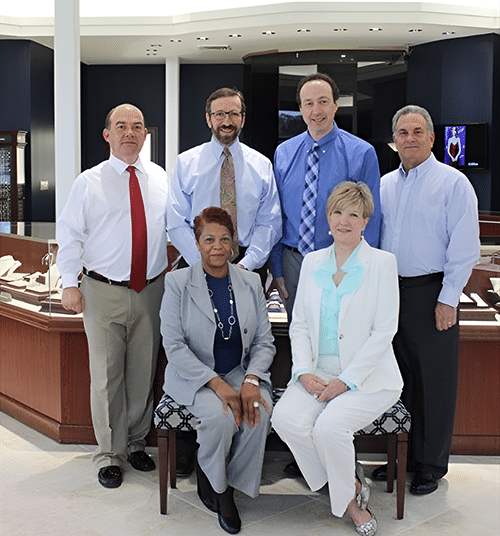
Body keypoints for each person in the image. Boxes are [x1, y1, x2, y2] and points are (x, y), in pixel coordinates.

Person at [272, 182, 402, 536]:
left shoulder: (382, 263)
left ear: (365, 221)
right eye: (337, 212)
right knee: (285, 419)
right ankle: (348, 486)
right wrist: (301, 371)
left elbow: (384, 332)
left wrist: (346, 382)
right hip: (318, 372)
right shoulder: (313, 261)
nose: (344, 221)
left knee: (330, 428)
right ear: (328, 218)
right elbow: (298, 325)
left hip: (369, 378)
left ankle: (352, 506)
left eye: (354, 214)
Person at [56, 103, 168, 489]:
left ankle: (136, 443)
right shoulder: (88, 182)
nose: (129, 133)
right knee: (106, 376)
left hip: (151, 290)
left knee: (142, 374)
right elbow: (69, 235)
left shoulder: (160, 178)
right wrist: (69, 282)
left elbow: (176, 230)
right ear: (107, 135)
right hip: (102, 292)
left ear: (145, 134)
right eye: (121, 126)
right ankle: (109, 453)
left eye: (137, 126)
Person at [376, 105, 480, 495]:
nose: (410, 139)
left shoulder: (453, 184)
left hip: (432, 293)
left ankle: (430, 465)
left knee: (433, 384)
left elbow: (465, 248)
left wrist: (448, 299)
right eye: (402, 132)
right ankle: (400, 458)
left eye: (417, 132)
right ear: (394, 140)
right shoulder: (385, 184)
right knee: (396, 382)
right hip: (390, 294)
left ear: (432, 138)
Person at [160, 207, 276, 534]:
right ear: (196, 242)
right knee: (221, 417)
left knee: (259, 412)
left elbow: (265, 342)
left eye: (225, 239)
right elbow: (174, 346)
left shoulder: (251, 282)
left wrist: (251, 379)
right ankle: (219, 490)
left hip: (240, 370)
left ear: (234, 244)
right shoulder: (178, 282)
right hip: (196, 376)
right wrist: (217, 384)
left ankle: (227, 480)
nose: (217, 246)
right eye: (209, 239)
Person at [270, 73, 382, 317]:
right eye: (308, 103)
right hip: (293, 263)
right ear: (300, 108)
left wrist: (362, 267)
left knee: (341, 335)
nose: (316, 110)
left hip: (342, 259)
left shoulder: (362, 153)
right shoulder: (284, 153)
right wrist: (277, 270)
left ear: (335, 105)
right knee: (298, 334)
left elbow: (372, 218)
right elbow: (276, 216)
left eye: (322, 101)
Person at [167, 87, 281, 276]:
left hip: (248, 265)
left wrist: (247, 264)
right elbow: (176, 221)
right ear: (208, 118)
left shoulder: (262, 165)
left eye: (233, 114)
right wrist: (203, 262)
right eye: (219, 114)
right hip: (198, 262)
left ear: (242, 119)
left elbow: (269, 222)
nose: (226, 121)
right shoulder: (185, 163)